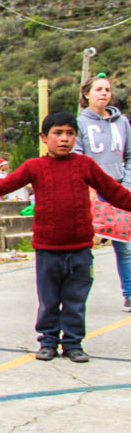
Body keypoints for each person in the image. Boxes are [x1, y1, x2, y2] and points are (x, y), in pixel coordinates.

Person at [0, 111, 131, 363]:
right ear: (44, 137)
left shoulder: (85, 165)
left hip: (81, 251)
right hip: (48, 250)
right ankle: (48, 341)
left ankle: (73, 343)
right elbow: (3, 186)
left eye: (70, 133)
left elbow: (116, 193)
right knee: (49, 300)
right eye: (57, 133)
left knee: (76, 301)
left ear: (76, 136)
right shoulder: (35, 167)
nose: (64, 139)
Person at [72, 74, 131, 311]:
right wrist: (89, 189)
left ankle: (129, 292)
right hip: (92, 192)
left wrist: (126, 186)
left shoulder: (122, 123)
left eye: (107, 89)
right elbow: (77, 157)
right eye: (98, 89)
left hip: (118, 189)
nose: (104, 93)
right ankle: (78, 293)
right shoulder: (79, 123)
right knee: (86, 244)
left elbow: (129, 155)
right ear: (87, 94)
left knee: (125, 245)